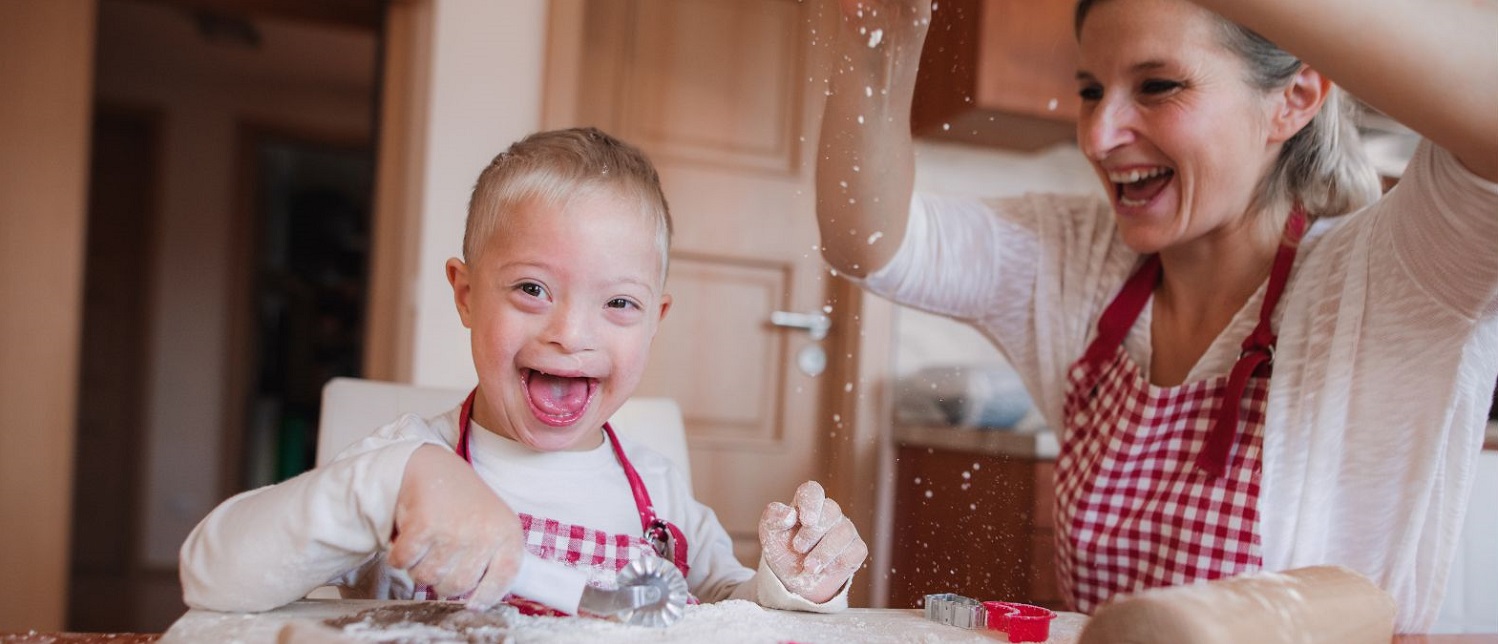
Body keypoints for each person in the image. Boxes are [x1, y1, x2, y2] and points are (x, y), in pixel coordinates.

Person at [817, 0, 1497, 632]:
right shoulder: (1078, 260)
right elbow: (870, 243)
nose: (1099, 135)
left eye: (1158, 86)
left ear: (1294, 99)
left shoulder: (1390, 276)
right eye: (1090, 90)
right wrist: (885, 33)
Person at [181, 127, 868, 615]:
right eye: (532, 289)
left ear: (655, 319)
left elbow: (728, 614)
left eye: (619, 303)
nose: (569, 333)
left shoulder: (660, 500)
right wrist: (393, 480)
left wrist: (792, 584)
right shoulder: (401, 468)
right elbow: (210, 576)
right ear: (466, 294)